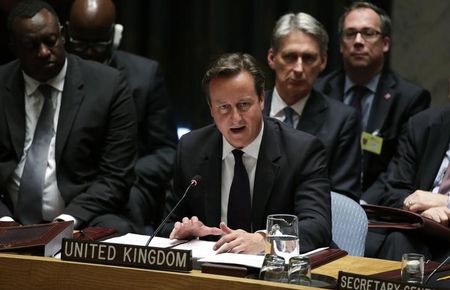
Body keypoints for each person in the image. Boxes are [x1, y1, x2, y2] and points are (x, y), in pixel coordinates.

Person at [162, 53, 332, 254]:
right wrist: (184, 231)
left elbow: (317, 226)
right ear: (211, 109)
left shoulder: (302, 151)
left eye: (244, 105)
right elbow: (166, 224)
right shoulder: (191, 148)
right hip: (212, 269)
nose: (235, 118)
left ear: (261, 99)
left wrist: (265, 241)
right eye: (223, 107)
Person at [0, 0, 137, 234]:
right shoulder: (2, 84)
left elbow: (116, 178)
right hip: (8, 216)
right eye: (31, 46)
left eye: (50, 41)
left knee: (117, 228)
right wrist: (3, 221)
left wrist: (67, 220)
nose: (44, 52)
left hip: (82, 215)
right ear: (14, 46)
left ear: (62, 35)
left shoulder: (108, 85)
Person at [66, 0, 178, 233]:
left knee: (118, 222)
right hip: (69, 181)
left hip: (128, 184)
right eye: (79, 43)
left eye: (98, 44)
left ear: (115, 36)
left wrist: (121, 173)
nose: (88, 51)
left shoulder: (145, 76)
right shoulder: (58, 73)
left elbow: (167, 151)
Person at [315, 1, 430, 201]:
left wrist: (364, 203)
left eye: (368, 33)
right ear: (342, 45)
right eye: (350, 34)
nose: (358, 41)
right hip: (323, 201)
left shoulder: (410, 98)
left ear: (385, 43)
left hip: (378, 207)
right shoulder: (320, 90)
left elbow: (401, 164)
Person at [265, 12, 361, 201]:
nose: (299, 69)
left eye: (308, 58)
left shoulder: (342, 120)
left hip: (311, 224)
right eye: (290, 57)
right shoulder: (248, 111)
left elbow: (344, 198)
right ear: (272, 58)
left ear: (323, 61)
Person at [365, 105, 450, 262]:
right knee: (397, 241)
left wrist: (446, 203)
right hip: (418, 228)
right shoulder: (423, 124)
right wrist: (420, 212)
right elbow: (394, 192)